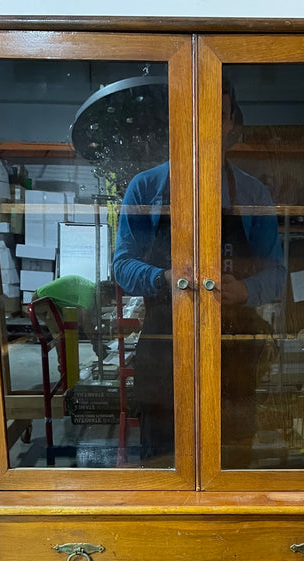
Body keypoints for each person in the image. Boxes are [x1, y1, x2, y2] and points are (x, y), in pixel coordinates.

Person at [113, 79, 284, 466]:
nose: (207, 125)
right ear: (177, 122)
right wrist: (164, 279)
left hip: (233, 349)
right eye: (195, 115)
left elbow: (277, 273)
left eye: (218, 115)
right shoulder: (146, 188)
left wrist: (246, 290)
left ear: (230, 123)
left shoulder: (253, 194)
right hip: (164, 345)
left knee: (234, 460)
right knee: (162, 461)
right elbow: (121, 267)